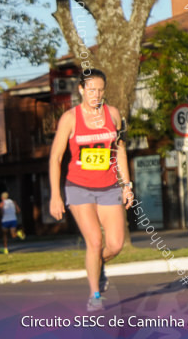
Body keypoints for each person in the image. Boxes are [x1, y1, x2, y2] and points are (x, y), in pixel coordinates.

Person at [48, 68, 134, 311]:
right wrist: (55, 195)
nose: (95, 94)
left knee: (115, 244)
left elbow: (120, 151)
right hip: (78, 187)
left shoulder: (113, 115)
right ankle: (95, 296)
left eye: (100, 90)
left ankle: (97, 266)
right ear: (81, 90)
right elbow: (55, 158)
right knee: (95, 241)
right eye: (91, 90)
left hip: (108, 187)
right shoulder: (70, 119)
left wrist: (127, 185)